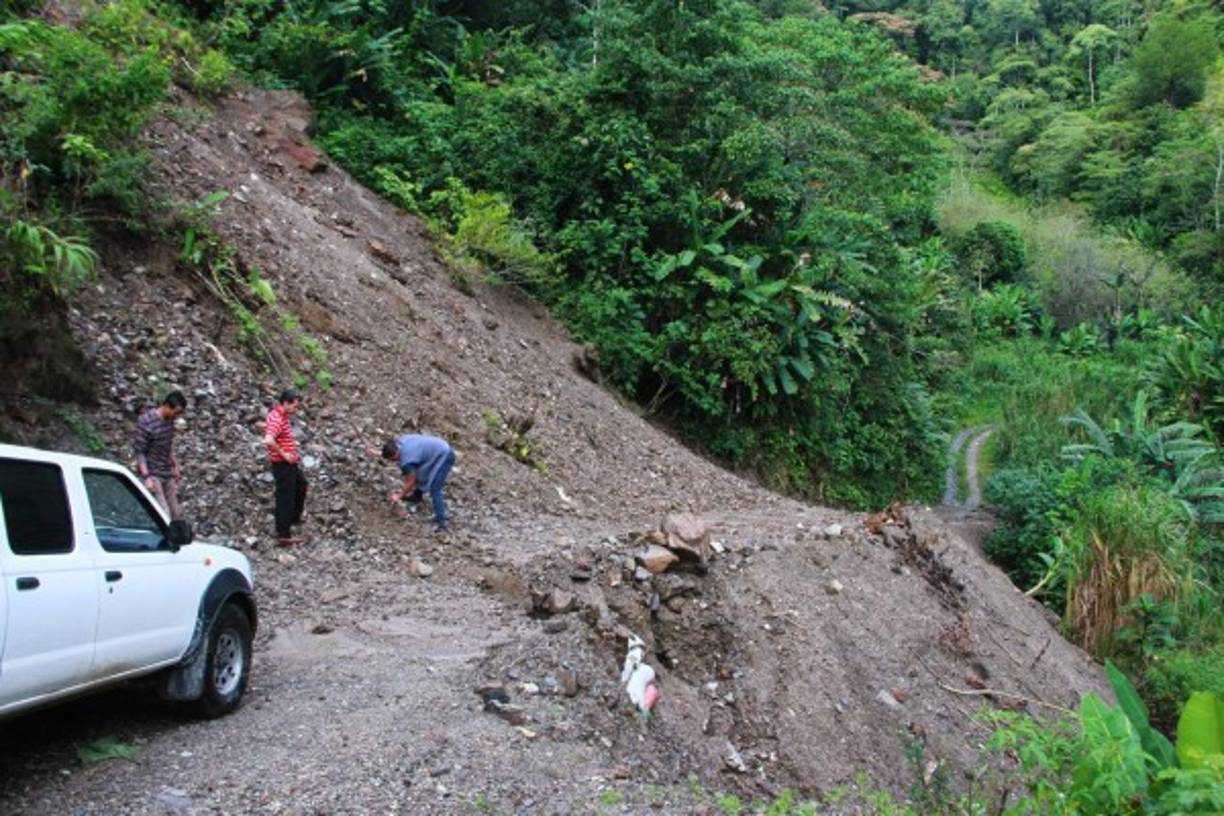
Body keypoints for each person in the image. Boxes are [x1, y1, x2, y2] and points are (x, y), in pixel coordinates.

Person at [377, 434, 455, 532]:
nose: (394, 461)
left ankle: (441, 523)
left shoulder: (407, 459)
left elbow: (411, 481)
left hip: (445, 455)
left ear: (396, 453)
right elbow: (390, 453)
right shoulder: (400, 442)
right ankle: (417, 497)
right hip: (436, 450)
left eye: (393, 459)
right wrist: (376, 453)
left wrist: (399, 496)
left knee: (435, 488)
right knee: (420, 472)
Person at [264, 389, 308, 546]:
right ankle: (283, 534)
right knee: (285, 497)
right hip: (283, 465)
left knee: (301, 485)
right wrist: (284, 454)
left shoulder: (281, 416)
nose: (296, 410)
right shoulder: (277, 418)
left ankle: (294, 518)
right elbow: (269, 440)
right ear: (286, 403)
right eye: (294, 407)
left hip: (290, 463)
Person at [134, 390, 187, 519]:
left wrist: (175, 465)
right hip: (153, 473)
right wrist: (146, 477)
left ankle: (177, 538)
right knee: (163, 514)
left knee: (176, 513)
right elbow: (140, 451)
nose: (177, 416)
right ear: (167, 406)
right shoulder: (146, 421)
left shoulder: (169, 421)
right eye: (176, 412)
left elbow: (167, 446)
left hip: (167, 472)